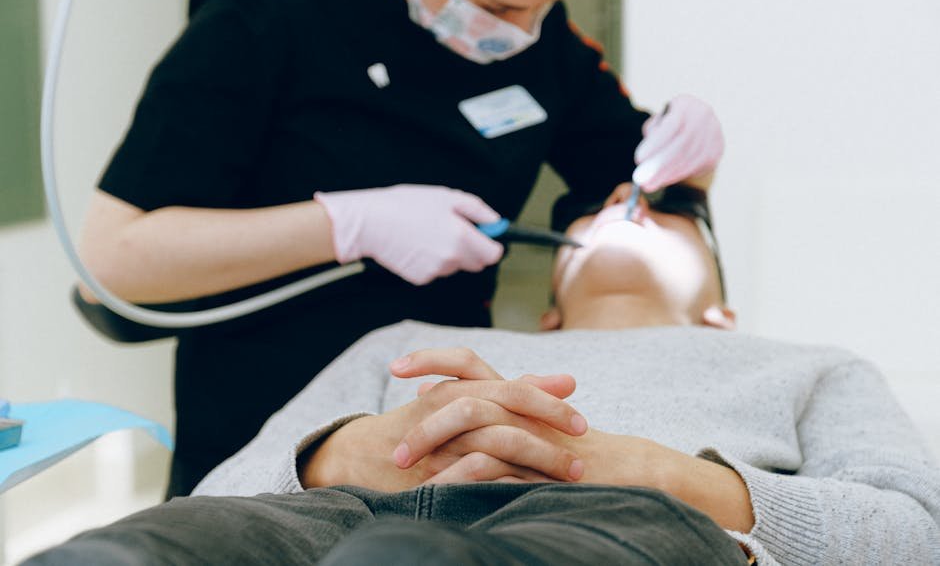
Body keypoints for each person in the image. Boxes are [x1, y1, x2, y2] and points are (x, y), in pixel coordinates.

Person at [76, 0, 725, 498]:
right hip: (265, 434)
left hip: (437, 436)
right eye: (499, 9)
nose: (523, 32)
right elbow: (114, 261)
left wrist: (690, 167)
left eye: (545, 8)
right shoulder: (262, 13)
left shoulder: (535, 33)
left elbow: (632, 182)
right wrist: (343, 224)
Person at [35, 184, 940, 565]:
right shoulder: (411, 338)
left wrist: (666, 475)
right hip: (331, 517)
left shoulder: (806, 365)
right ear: (546, 310)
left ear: (720, 312)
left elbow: (916, 534)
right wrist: (343, 457)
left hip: (630, 521)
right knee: (154, 547)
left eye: (660, 214)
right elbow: (215, 493)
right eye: (600, 209)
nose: (624, 206)